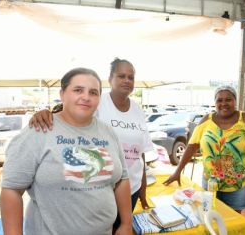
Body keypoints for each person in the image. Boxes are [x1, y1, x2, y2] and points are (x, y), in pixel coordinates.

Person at [0, 68, 132, 235]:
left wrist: (126, 223)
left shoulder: (108, 132)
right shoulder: (39, 130)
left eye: (93, 92)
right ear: (62, 94)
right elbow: (11, 189)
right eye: (78, 90)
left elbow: (122, 179)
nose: (86, 97)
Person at [29, 58, 153, 228]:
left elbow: (141, 153)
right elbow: (67, 116)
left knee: (121, 228)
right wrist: (46, 113)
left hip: (131, 188)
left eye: (130, 77)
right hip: (99, 189)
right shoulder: (96, 102)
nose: (126, 80)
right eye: (121, 76)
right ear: (110, 79)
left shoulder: (138, 110)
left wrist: (142, 188)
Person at [163, 85, 245, 212]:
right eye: (219, 100)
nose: (223, 103)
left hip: (239, 185)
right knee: (209, 214)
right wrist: (178, 171)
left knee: (233, 220)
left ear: (235, 101)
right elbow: (192, 146)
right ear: (215, 103)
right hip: (210, 182)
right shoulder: (206, 121)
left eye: (228, 99)